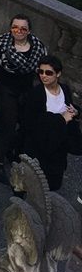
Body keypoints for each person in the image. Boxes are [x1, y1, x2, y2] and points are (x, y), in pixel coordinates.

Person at [0, 14, 46, 183]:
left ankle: (13, 151)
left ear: (29, 31)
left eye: (23, 28)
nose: (19, 31)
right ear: (10, 29)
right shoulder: (2, 49)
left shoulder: (38, 49)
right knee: (8, 128)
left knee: (26, 127)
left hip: (26, 93)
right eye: (15, 27)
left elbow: (42, 75)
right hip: (6, 92)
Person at [18, 54, 82, 191]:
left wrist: (75, 111)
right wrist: (61, 119)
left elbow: (67, 107)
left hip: (57, 147)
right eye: (40, 72)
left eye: (48, 72)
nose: (43, 76)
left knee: (51, 185)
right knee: (30, 185)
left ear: (58, 74)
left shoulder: (64, 89)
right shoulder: (36, 94)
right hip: (39, 147)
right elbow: (31, 123)